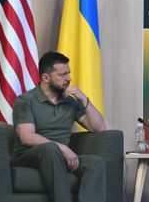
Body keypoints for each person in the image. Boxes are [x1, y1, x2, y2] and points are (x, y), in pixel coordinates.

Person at [11, 51, 106, 202]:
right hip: (29, 156)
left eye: (68, 73)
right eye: (62, 74)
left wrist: (83, 98)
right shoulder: (25, 101)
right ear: (46, 78)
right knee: (50, 149)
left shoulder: (70, 102)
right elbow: (26, 136)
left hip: (59, 157)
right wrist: (62, 148)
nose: (69, 78)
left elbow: (99, 128)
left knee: (95, 163)